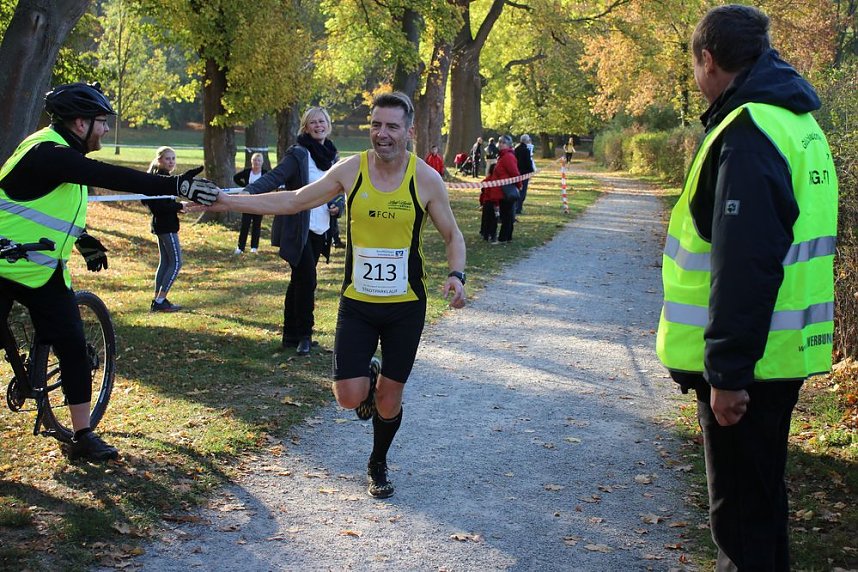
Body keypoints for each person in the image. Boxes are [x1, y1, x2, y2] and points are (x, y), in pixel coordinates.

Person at [195, 91, 467, 499]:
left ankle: (378, 462)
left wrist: (456, 274)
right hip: (357, 303)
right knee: (348, 398)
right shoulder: (350, 170)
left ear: (409, 132)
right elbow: (294, 200)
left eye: (392, 126)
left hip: (405, 306)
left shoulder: (425, 178)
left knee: (389, 400)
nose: (383, 133)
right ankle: (368, 377)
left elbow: (452, 234)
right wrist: (229, 201)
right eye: (376, 124)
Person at [655, 6, 837, 570]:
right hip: (777, 355)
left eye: (694, 65)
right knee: (760, 509)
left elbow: (744, 265)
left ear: (708, 60)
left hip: (748, 370)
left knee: (739, 523)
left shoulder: (749, 132)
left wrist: (728, 374)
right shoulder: (797, 121)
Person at [0, 82, 218, 462]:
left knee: (72, 345)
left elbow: (52, 203)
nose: (104, 130)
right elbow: (113, 176)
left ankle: (81, 435)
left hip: (42, 269)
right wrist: (174, 184)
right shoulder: (47, 151)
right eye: (101, 122)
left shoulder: (65, 153)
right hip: (4, 263)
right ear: (80, 123)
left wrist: (83, 240)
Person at [239, 107, 340, 355]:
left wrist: (339, 207)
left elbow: (339, 191)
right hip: (298, 228)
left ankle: (290, 335)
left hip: (321, 227)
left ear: (328, 124)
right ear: (305, 127)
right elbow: (274, 177)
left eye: (322, 121)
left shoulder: (333, 156)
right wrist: (249, 192)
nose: (319, 125)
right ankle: (305, 335)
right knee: (307, 279)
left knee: (299, 280)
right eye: (313, 122)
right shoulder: (298, 154)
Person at [142, 146, 185, 312]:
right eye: (168, 158)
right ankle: (160, 300)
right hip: (165, 226)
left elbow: (164, 204)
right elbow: (159, 207)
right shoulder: (159, 179)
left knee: (166, 262)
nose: (171, 162)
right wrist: (179, 205)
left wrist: (179, 206)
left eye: (173, 159)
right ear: (159, 160)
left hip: (162, 224)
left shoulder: (164, 178)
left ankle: (158, 299)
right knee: (176, 263)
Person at [481, 135, 520, 244]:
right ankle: (505, 237)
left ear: (508, 144)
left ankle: (504, 238)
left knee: (507, 215)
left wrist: (518, 186)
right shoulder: (502, 156)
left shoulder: (508, 157)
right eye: (500, 142)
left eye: (503, 142)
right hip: (501, 190)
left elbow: (515, 173)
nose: (500, 144)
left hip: (506, 190)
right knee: (505, 214)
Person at [232, 152, 269, 254]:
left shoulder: (265, 173)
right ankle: (240, 248)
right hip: (247, 202)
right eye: (255, 160)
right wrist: (245, 187)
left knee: (256, 225)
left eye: (259, 160)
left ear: (262, 162)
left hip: (259, 202)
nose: (257, 162)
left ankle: (254, 247)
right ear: (251, 161)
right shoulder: (248, 172)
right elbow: (236, 177)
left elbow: (270, 184)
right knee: (245, 224)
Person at [514, 134, 534, 215]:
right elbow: (528, 162)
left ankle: (516, 206)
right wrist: (532, 171)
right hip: (524, 173)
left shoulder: (516, 149)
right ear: (526, 141)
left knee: (517, 189)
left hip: (517, 172)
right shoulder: (526, 150)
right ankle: (519, 207)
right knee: (523, 191)